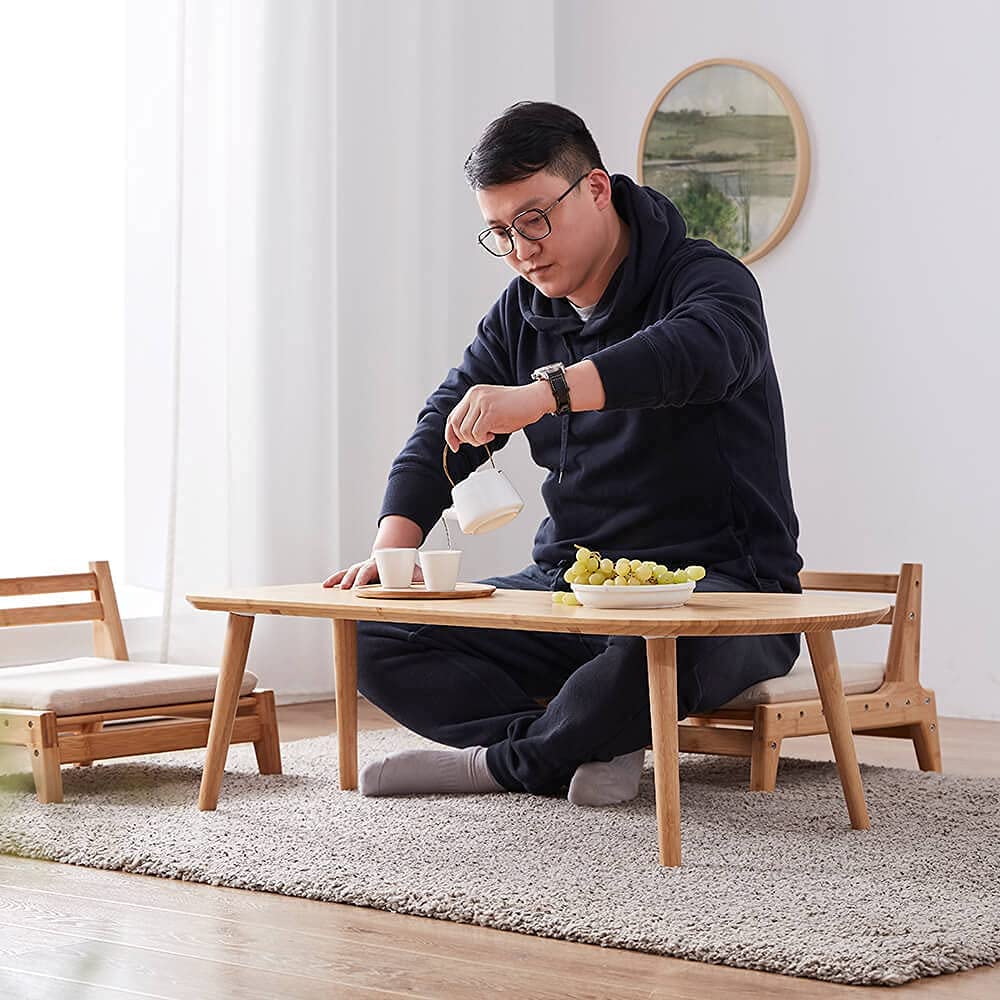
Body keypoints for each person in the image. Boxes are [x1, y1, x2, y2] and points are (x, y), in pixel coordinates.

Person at [322, 101, 803, 805]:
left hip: (726, 586)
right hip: (569, 587)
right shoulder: (520, 311)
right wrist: (391, 553)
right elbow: (444, 426)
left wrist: (547, 392)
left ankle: (502, 766)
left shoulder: (707, 280)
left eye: (535, 220)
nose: (521, 249)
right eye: (500, 232)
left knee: (653, 649)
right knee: (367, 633)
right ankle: (581, 740)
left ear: (598, 189)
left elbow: (699, 351)